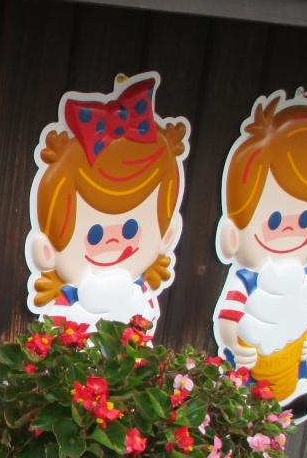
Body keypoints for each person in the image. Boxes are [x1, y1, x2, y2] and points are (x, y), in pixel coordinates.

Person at [212, 89, 307, 422]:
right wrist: (235, 344)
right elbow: (228, 319)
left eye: (306, 220)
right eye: (273, 220)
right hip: (250, 362)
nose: (290, 228)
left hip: (291, 356)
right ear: (233, 235)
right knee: (242, 384)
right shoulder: (247, 281)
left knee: (291, 379)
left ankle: (291, 396)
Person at [25, 71, 189, 332]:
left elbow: (145, 336)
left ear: (167, 235)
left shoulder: (141, 298)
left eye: (130, 229)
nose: (113, 241)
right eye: (95, 234)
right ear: (46, 250)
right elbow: (51, 343)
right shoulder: (66, 303)